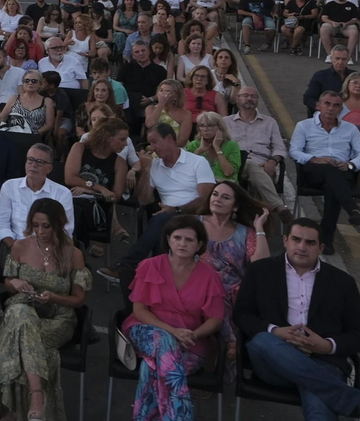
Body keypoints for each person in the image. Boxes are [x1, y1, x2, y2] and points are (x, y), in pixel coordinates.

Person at [233, 217, 360, 421]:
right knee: (262, 340)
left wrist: (326, 345)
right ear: (285, 240)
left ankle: (348, 398)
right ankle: (359, 402)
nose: (302, 247)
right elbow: (241, 314)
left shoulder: (342, 282)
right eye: (296, 240)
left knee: (319, 411)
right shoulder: (260, 271)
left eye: (310, 242)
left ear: (321, 247)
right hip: (273, 360)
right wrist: (275, 331)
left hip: (324, 362)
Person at [0, 198, 90, 421]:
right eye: (35, 225)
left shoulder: (73, 254)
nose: (40, 231)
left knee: (11, 341)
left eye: (46, 226)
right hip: (23, 309)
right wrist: (15, 284)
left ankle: (9, 412)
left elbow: (78, 299)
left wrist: (55, 297)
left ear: (58, 224)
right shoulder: (20, 247)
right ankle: (36, 398)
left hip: (58, 318)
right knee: (20, 315)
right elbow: (8, 282)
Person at [120, 216, 225, 421]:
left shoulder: (209, 275)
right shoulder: (149, 265)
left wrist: (194, 334)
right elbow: (140, 310)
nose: (182, 244)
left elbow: (215, 319)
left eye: (189, 240)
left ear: (199, 245)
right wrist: (172, 331)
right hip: (146, 330)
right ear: (168, 240)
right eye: (177, 238)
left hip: (190, 341)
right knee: (163, 341)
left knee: (149, 368)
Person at [98, 123, 216, 286]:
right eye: (149, 144)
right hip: (168, 219)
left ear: (169, 139)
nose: (151, 148)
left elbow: (206, 199)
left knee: (162, 221)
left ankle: (128, 267)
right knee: (163, 224)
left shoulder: (197, 162)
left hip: (196, 216)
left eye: (154, 142)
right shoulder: (155, 166)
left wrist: (177, 209)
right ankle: (152, 284)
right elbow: (143, 200)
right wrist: (146, 169)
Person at [289, 89, 360, 255]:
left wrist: (350, 165)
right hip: (314, 171)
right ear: (318, 106)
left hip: (342, 171)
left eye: (336, 105)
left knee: (332, 186)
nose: (331, 108)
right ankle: (351, 210)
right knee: (328, 170)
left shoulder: (350, 129)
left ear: (341, 109)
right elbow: (294, 151)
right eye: (327, 104)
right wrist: (314, 159)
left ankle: (326, 240)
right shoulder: (304, 126)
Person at [200, 180, 270, 374]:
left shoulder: (245, 233)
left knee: (222, 295)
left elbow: (261, 265)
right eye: (215, 194)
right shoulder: (194, 223)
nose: (218, 199)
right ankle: (230, 345)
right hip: (197, 285)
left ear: (236, 206)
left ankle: (223, 355)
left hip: (232, 293)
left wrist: (259, 227)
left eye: (225, 197)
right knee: (214, 294)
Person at [63, 115, 129, 255]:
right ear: (107, 137)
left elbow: (115, 196)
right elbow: (69, 179)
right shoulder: (80, 148)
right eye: (122, 139)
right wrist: (98, 187)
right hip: (71, 201)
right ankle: (76, 251)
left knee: (78, 210)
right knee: (75, 208)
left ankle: (74, 250)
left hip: (98, 210)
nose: (126, 144)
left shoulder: (120, 163)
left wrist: (90, 192)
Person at [223, 86, 290, 218]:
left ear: (257, 101)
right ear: (237, 99)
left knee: (255, 177)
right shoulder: (226, 122)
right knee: (249, 164)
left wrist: (273, 160)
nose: (249, 98)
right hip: (236, 165)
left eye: (253, 96)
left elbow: (280, 147)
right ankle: (278, 207)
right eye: (245, 95)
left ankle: (249, 224)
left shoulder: (269, 122)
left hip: (263, 166)